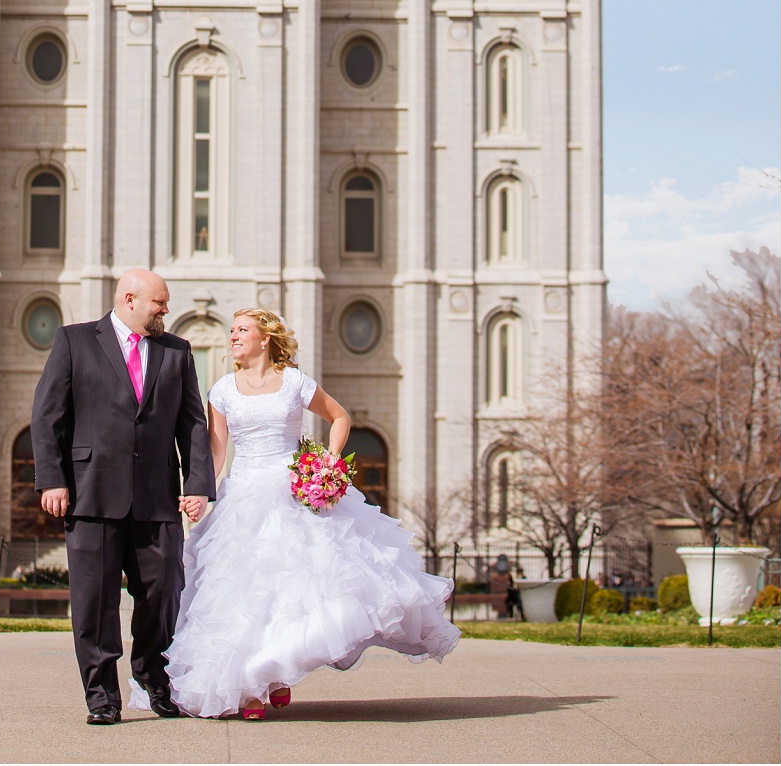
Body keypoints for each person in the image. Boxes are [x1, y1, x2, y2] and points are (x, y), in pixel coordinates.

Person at [144, 307, 459, 719]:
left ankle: (278, 674)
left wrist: (327, 465)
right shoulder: (221, 390)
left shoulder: (294, 382)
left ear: (264, 338)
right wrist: (200, 492)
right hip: (244, 495)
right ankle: (253, 688)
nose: (233, 337)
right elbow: (216, 449)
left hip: (295, 493)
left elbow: (339, 417)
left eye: (242, 331)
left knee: (291, 591)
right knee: (246, 593)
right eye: (232, 331)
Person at [30, 269, 215, 725]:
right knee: (94, 602)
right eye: (160, 303)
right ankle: (102, 697)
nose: (166, 311)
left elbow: (192, 423)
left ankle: (154, 679)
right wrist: (52, 479)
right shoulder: (75, 341)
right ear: (130, 299)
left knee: (163, 593)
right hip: (91, 495)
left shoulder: (177, 351)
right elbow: (47, 414)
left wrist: (196, 486)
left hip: (156, 499)